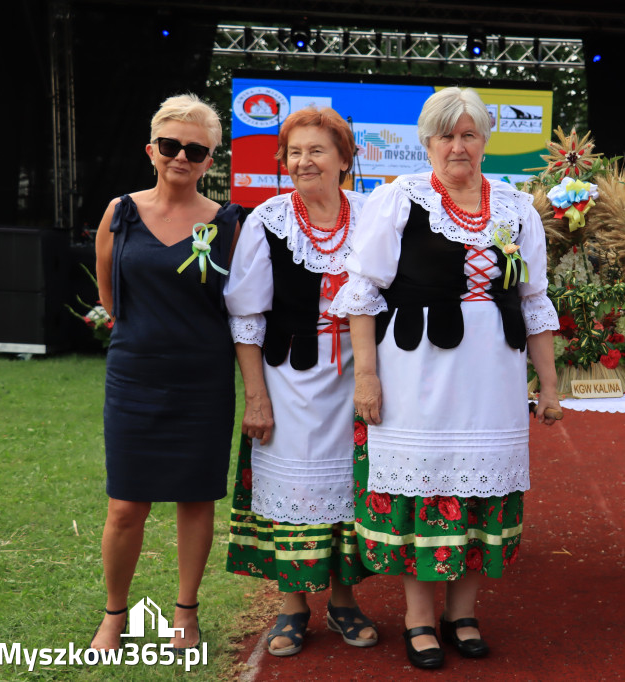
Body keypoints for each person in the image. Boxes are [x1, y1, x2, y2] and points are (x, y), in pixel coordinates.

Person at [328, 86, 561, 669]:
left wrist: (550, 384)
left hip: (493, 374)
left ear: (485, 140)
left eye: (469, 134)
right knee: (424, 484)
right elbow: (363, 292)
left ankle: (463, 612)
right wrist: (366, 377)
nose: (458, 146)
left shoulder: (516, 207)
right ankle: (418, 618)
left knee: (478, 487)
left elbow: (535, 301)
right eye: (445, 135)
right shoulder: (398, 200)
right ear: (426, 143)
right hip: (416, 369)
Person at [222, 107, 379, 656]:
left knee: (354, 491)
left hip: (364, 374)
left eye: (317, 150)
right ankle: (292, 609)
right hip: (289, 377)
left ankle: (343, 603)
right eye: (294, 152)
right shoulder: (268, 219)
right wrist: (256, 396)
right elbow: (246, 317)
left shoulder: (373, 214)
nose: (303, 161)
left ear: (344, 159)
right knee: (300, 489)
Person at [90, 94, 241, 652]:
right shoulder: (120, 212)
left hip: (203, 379)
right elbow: (109, 295)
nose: (182, 156)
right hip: (134, 374)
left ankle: (185, 612)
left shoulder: (229, 223)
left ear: (210, 159)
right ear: (152, 150)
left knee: (195, 500)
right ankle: (114, 613)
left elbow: (239, 305)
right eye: (172, 145)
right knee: (126, 504)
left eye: (195, 149)